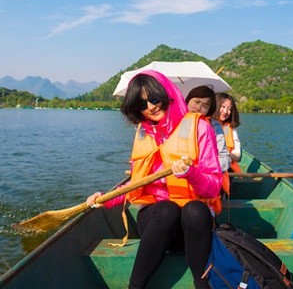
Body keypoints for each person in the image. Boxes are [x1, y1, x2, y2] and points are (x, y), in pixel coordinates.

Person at [85, 70, 222, 289]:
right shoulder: (144, 132)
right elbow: (137, 182)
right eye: (141, 104)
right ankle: (136, 286)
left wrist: (191, 173)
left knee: (195, 210)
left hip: (193, 230)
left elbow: (214, 187)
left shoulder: (200, 128)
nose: (150, 107)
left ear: (166, 94)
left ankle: (202, 283)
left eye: (154, 98)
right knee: (167, 209)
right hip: (157, 224)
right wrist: (107, 199)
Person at [185, 85, 231, 173]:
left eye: (205, 106)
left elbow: (224, 159)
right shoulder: (174, 121)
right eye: (196, 102)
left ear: (209, 110)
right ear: (188, 99)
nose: (198, 108)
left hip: (201, 177)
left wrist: (198, 169)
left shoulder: (214, 126)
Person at [213, 92, 241, 172]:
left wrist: (224, 155)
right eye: (223, 107)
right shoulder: (205, 124)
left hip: (227, 168)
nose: (225, 111)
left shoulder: (230, 128)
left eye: (229, 109)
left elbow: (237, 156)